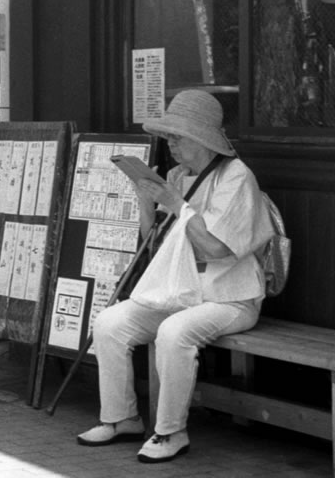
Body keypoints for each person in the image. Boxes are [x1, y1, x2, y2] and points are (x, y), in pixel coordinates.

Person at [75, 89, 274, 463]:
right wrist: (145, 198)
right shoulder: (177, 176)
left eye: (177, 137)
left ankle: (171, 431)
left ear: (201, 138)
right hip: (180, 292)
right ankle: (121, 418)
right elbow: (153, 241)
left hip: (230, 298)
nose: (171, 145)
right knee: (110, 323)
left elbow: (216, 249)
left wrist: (175, 204)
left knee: (174, 332)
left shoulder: (236, 178)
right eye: (169, 137)